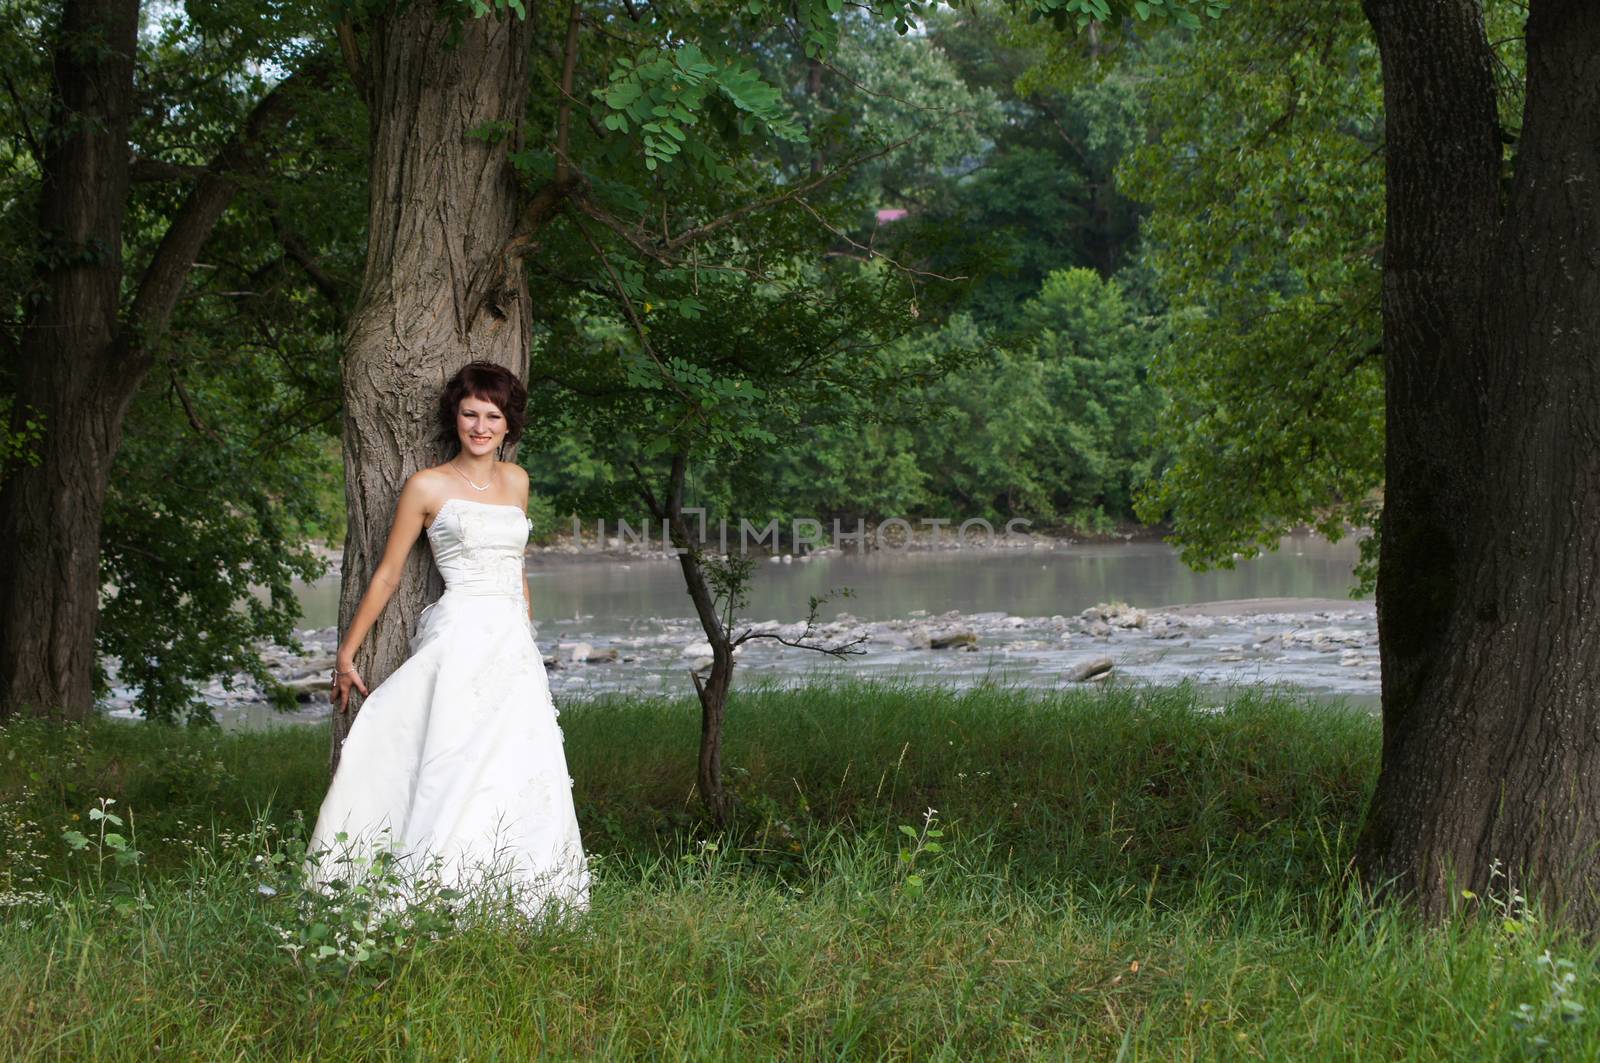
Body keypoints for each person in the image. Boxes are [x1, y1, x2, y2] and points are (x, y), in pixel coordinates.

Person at [305, 361, 588, 919]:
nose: (480, 426)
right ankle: (431, 890)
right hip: (459, 632)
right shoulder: (427, 485)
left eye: (492, 416)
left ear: (509, 425)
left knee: (519, 762)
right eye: (469, 414)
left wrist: (526, 637)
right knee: (451, 757)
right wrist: (346, 652)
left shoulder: (518, 481)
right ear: (454, 418)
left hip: (510, 642)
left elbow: (516, 566)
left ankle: (520, 895)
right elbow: (387, 573)